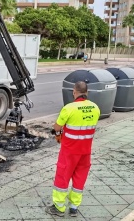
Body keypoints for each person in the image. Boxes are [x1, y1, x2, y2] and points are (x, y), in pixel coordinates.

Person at [45, 81, 100, 217]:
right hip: (85, 151)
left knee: (62, 177)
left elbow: (57, 127)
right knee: (80, 178)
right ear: (87, 93)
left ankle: (59, 207)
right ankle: (74, 207)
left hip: (69, 151)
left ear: (74, 92)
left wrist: (58, 135)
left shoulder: (69, 108)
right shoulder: (95, 108)